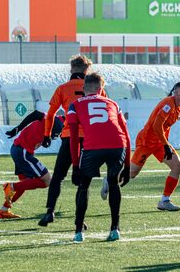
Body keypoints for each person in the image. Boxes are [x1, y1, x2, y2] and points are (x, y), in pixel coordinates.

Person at [38, 54, 107, 227]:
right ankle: (80, 219)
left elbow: (51, 114)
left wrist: (47, 135)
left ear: (71, 69)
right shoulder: (96, 87)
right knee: (84, 181)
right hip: (90, 139)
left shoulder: (63, 88)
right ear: (87, 70)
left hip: (69, 138)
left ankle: (49, 212)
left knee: (58, 177)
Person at [101, 82, 180, 211]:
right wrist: (166, 144)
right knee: (132, 173)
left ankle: (164, 201)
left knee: (177, 167)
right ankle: (109, 180)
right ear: (177, 93)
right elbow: (156, 126)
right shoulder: (168, 104)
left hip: (160, 143)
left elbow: (165, 127)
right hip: (146, 142)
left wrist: (165, 144)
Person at [68, 72, 131, 243]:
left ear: (83, 88)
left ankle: (79, 232)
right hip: (118, 145)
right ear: (101, 88)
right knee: (113, 183)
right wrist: (127, 166)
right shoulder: (113, 103)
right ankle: (115, 229)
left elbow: (74, 138)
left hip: (93, 147)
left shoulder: (74, 105)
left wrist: (75, 166)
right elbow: (126, 134)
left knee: (84, 186)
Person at [0, 110, 63, 219]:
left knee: (24, 184)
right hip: (23, 151)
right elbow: (36, 114)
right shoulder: (57, 121)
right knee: (46, 180)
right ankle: (11, 186)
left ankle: (4, 210)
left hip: (18, 150)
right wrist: (18, 128)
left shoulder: (59, 123)